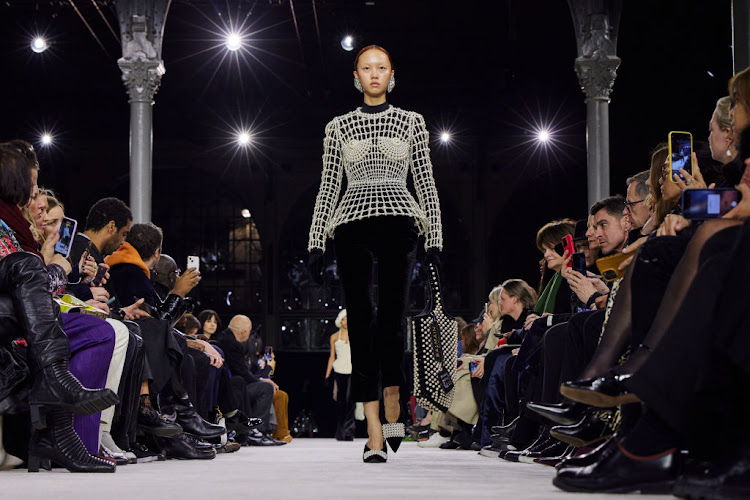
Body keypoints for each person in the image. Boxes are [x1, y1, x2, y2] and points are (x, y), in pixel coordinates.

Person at [308, 44, 443, 463]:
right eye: (366, 68)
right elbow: (329, 184)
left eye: (380, 67)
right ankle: (373, 434)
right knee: (362, 322)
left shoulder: (411, 122)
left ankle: (393, 405)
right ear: (355, 76)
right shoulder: (338, 127)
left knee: (392, 320)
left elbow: (425, 180)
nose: (373, 74)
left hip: (400, 223)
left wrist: (435, 236)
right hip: (351, 225)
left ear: (391, 74)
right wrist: (316, 240)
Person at [325, 309, 355, 441]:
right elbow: (332, 357)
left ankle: (349, 431)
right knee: (341, 402)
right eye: (343, 319)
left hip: (352, 371)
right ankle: (341, 432)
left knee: (350, 401)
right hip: (339, 370)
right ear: (339, 320)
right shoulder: (334, 337)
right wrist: (327, 375)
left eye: (348, 319)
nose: (346, 322)